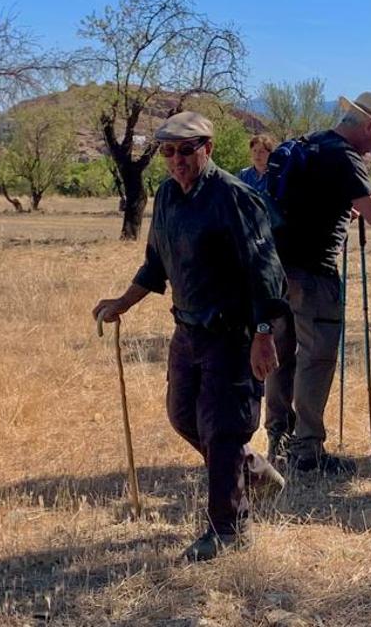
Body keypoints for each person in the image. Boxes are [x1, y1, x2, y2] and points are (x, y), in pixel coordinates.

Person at [93, 111, 289, 561]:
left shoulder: (236, 198)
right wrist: (123, 302)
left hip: (233, 334)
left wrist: (263, 333)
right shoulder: (165, 196)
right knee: (183, 416)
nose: (176, 159)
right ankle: (252, 470)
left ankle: (229, 530)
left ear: (208, 148)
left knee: (221, 431)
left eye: (186, 149)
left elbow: (267, 274)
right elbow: (155, 264)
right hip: (187, 330)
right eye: (167, 151)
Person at [266, 92, 371, 475]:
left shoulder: (308, 143)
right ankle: (307, 451)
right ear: (370, 127)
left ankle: (278, 437)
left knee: (280, 355)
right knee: (316, 358)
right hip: (315, 272)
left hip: (276, 269)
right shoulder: (345, 157)